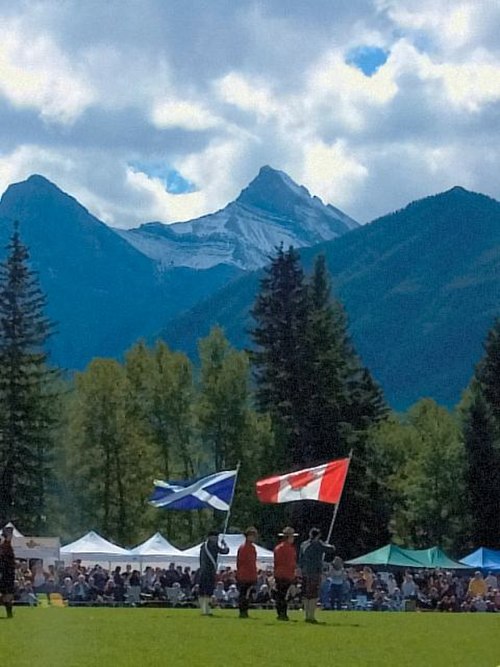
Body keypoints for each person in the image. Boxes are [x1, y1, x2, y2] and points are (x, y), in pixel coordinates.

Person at [298, 527, 335, 623]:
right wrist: (326, 544)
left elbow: (300, 559)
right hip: (315, 572)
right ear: (318, 536)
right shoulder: (317, 544)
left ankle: (307, 615)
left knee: (306, 595)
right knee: (313, 594)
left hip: (305, 572)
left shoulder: (303, 544)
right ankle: (311, 616)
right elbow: (331, 549)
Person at [198, 530, 229, 616]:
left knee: (202, 591)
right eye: (215, 537)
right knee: (208, 591)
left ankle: (203, 610)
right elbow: (225, 551)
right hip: (210, 572)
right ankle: (206, 610)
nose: (216, 539)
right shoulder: (213, 546)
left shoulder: (203, 546)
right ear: (211, 537)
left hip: (203, 571)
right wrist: (224, 544)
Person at [273, 526, 298, 621]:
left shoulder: (278, 548)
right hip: (287, 575)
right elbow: (292, 563)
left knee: (280, 595)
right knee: (285, 595)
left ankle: (280, 613)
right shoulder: (291, 549)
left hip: (279, 574)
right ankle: (283, 613)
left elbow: (276, 562)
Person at [236, 527, 258, 619]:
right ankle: (243, 611)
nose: (254, 538)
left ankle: (244, 611)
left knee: (246, 594)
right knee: (244, 594)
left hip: (248, 574)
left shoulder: (251, 548)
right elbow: (243, 562)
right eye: (252, 536)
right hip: (245, 575)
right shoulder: (245, 548)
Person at [0, 526, 16, 619]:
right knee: (6, 594)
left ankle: (9, 613)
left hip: (8, 573)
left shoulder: (7, 545)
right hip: (4, 573)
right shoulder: (4, 545)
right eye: (10, 534)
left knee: (8, 595)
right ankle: (9, 613)